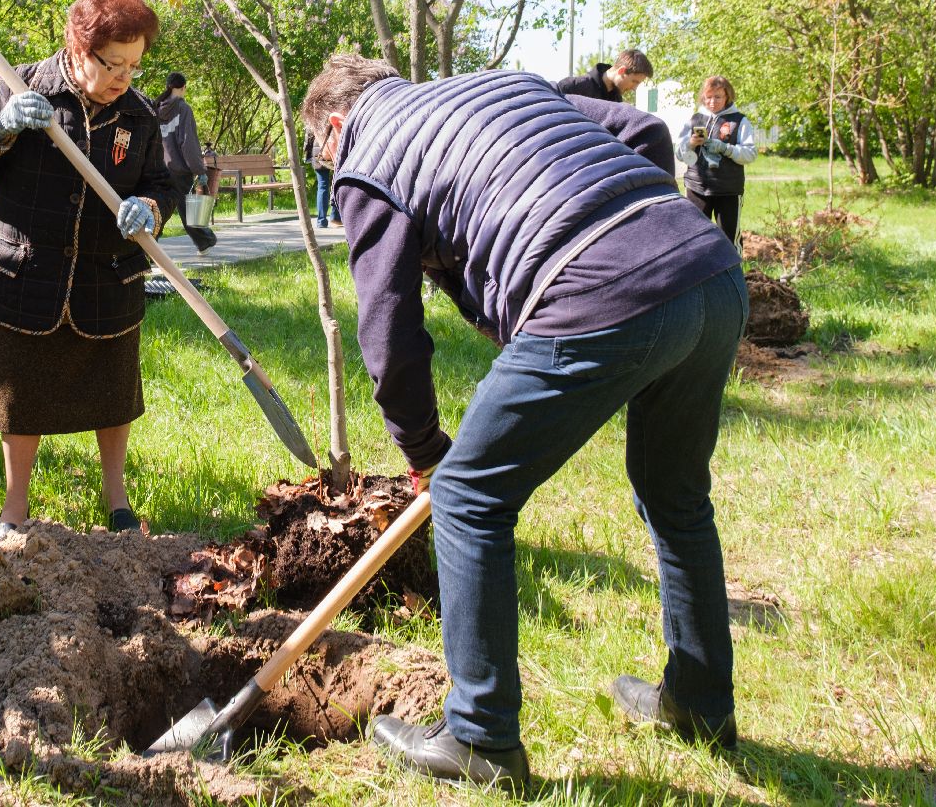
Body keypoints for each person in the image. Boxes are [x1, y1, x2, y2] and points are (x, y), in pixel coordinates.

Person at [299, 53, 747, 791]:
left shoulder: (366, 157)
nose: (329, 168)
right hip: (708, 266)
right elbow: (642, 133)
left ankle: (480, 739)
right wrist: (640, 235)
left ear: (337, 124)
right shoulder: (504, 84)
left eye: (323, 153)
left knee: (467, 495)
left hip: (602, 287)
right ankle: (700, 705)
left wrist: (425, 453)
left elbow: (388, 331)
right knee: (676, 495)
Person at [0, 0, 177, 542]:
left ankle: (118, 503)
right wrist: (2, 125)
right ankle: (14, 510)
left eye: (134, 65)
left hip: (107, 280)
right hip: (28, 275)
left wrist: (149, 209)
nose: (124, 76)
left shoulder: (139, 114)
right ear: (78, 48)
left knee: (113, 394)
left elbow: (163, 182)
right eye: (113, 63)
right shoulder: (23, 85)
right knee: (19, 398)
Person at [678, 75, 757, 244]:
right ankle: (701, 263)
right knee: (695, 238)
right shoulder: (695, 119)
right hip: (696, 187)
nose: (712, 102)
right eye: (708, 97)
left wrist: (725, 148)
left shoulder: (739, 121)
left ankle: (731, 263)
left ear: (727, 96)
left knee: (729, 240)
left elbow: (750, 154)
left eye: (718, 97)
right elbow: (679, 153)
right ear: (703, 97)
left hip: (728, 190)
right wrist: (691, 143)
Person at [155, 71, 217, 253]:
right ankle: (205, 242)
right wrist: (199, 170)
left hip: (159, 168)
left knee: (159, 211)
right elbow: (188, 143)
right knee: (189, 210)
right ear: (183, 87)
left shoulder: (156, 109)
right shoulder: (183, 109)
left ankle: (147, 249)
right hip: (179, 170)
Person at [556, 47, 653, 104]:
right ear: (621, 71)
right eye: (634, 81)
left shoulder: (617, 101)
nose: (634, 88)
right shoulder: (570, 87)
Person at [302, 129, 340, 228]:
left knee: (322, 186)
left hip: (319, 153)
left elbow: (309, 134)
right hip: (335, 151)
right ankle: (335, 217)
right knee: (337, 184)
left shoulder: (315, 117)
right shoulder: (336, 117)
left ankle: (321, 221)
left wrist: (307, 154)